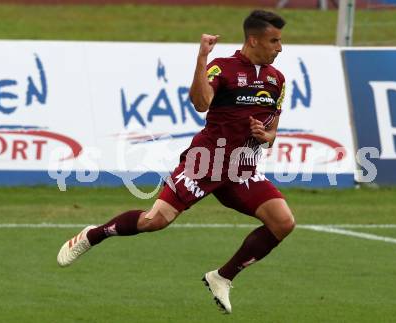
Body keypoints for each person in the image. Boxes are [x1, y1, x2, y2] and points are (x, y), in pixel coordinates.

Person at [57, 9, 295, 314]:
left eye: (280, 41)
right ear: (254, 39)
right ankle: (93, 234)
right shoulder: (222, 68)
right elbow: (200, 103)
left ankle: (222, 277)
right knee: (154, 221)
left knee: (283, 222)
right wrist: (201, 58)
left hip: (241, 169)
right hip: (205, 162)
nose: (280, 47)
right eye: (274, 40)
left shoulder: (277, 80)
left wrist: (265, 136)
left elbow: (273, 131)